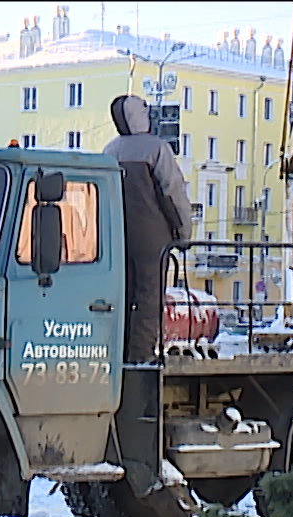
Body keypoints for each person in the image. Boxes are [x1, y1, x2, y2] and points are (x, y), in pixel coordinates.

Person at [103, 95, 194, 364]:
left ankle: (117, 352)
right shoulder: (156, 149)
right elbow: (173, 193)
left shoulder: (109, 151)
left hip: (117, 239)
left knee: (122, 296)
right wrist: (184, 233)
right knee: (149, 297)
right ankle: (140, 357)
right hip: (153, 241)